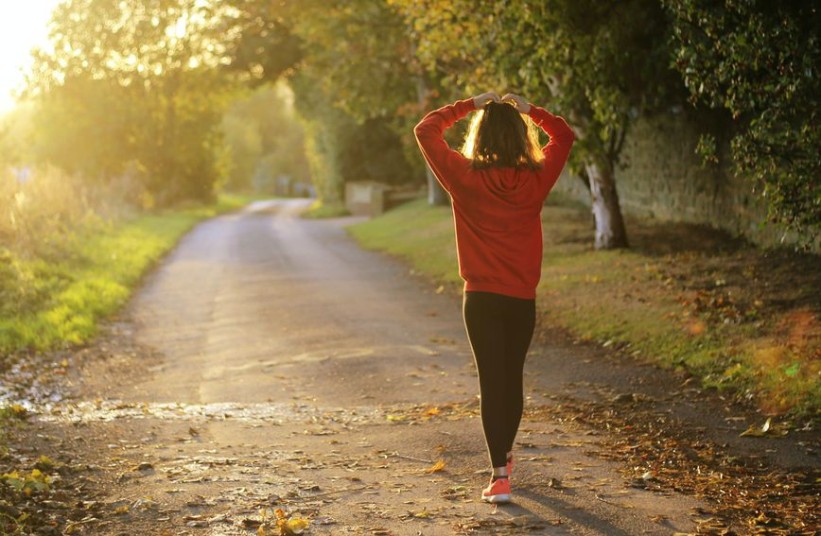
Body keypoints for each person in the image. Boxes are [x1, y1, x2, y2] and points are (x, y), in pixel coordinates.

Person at [414, 92, 575, 503]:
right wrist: (531, 111)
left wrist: (469, 104)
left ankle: (499, 475)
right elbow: (565, 135)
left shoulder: (463, 176)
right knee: (512, 378)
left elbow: (425, 129)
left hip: (481, 299)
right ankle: (503, 458)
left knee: (492, 381)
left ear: (479, 136)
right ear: (521, 138)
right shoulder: (536, 178)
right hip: (521, 298)